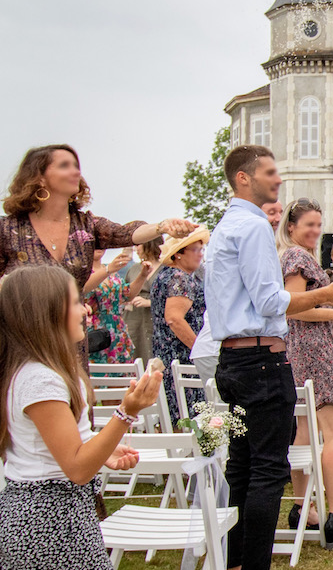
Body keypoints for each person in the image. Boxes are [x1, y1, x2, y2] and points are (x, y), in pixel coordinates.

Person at [204, 145, 333, 570]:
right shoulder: (254, 224)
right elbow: (271, 300)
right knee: (266, 472)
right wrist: (330, 294)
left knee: (241, 469)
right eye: (270, 173)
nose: (278, 180)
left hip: (232, 360)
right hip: (260, 360)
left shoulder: (225, 226)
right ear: (243, 179)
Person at [0, 265, 162, 570]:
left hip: (27, 515)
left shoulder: (29, 371)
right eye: (75, 301)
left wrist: (103, 450)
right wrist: (126, 414)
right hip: (51, 520)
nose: (85, 308)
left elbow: (59, 450)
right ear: (46, 313)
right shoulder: (40, 379)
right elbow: (72, 469)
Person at [0, 145, 197, 363]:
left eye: (76, 166)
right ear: (39, 177)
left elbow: (126, 232)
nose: (76, 172)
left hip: (70, 343)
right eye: (65, 165)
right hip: (24, 340)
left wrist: (161, 226)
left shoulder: (85, 225)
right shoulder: (8, 229)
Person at [277, 199, 333, 548]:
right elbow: (293, 309)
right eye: (308, 225)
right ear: (291, 227)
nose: (314, 231)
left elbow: (308, 302)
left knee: (304, 431)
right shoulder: (296, 258)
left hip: (300, 350)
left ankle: (303, 508)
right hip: (315, 350)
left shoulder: (296, 257)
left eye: (318, 225)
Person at [151, 229, 210, 420]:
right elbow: (174, 319)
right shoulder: (179, 278)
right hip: (181, 355)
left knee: (175, 413)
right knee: (189, 415)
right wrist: (199, 349)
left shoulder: (164, 275)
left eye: (202, 249)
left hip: (166, 352)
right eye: (195, 250)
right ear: (178, 254)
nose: (201, 254)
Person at [85, 248, 136, 365]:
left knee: (123, 377)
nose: (98, 247)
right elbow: (83, 289)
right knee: (99, 374)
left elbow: (127, 295)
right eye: (94, 244)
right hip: (95, 332)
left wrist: (143, 275)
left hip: (118, 329)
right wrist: (108, 270)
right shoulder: (82, 273)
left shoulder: (112, 271)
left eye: (101, 243)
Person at [124, 237, 162, 364]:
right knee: (136, 356)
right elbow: (124, 292)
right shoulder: (134, 269)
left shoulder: (166, 268)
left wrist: (150, 302)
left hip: (154, 320)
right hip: (134, 319)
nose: (135, 249)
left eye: (138, 245)